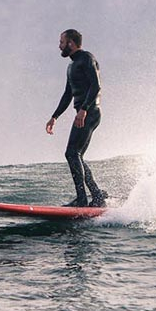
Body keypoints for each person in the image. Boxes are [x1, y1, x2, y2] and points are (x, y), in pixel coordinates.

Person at [45, 29, 108, 207]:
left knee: (72, 153)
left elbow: (96, 86)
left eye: (61, 42)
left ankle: (82, 200)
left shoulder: (87, 58)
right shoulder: (71, 66)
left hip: (91, 112)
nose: (59, 46)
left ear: (71, 43)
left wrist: (84, 109)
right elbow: (68, 94)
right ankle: (97, 196)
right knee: (77, 155)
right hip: (85, 112)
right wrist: (55, 117)